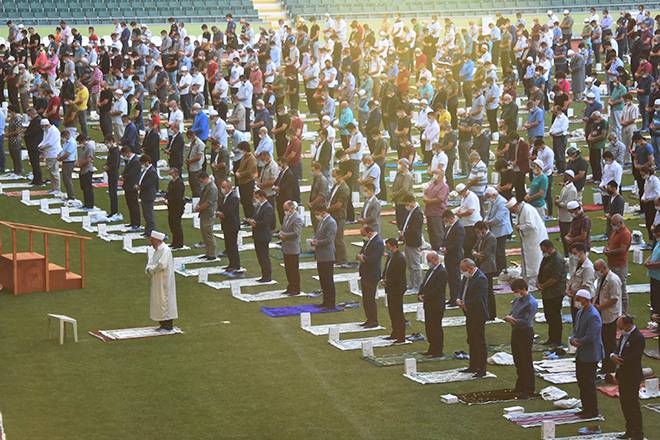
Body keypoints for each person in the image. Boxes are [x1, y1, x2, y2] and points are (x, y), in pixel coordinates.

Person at [570, 289, 604, 419]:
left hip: (590, 354)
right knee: (581, 381)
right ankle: (586, 407)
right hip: (581, 352)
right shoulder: (580, 312)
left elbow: (592, 335)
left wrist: (579, 342)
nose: (577, 301)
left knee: (588, 382)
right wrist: (573, 339)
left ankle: (592, 410)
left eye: (579, 299)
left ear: (586, 299)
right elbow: (576, 329)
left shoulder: (593, 315)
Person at [612, 315, 646, 440]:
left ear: (626, 324)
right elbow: (617, 350)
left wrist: (619, 360)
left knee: (632, 405)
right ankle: (629, 430)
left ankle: (637, 433)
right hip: (623, 374)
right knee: (624, 404)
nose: (618, 328)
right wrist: (613, 356)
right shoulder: (623, 335)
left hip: (632, 376)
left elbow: (634, 357)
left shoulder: (638, 337)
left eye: (619, 325)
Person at [506, 278, 539, 398]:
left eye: (517, 290)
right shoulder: (518, 300)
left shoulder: (531, 303)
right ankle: (520, 385)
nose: (516, 293)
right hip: (516, 331)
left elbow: (526, 321)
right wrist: (510, 317)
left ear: (523, 289)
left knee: (526, 361)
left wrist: (512, 320)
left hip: (525, 333)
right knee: (518, 359)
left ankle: (529, 388)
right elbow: (512, 312)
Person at [506, 197, 549, 288]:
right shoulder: (521, 210)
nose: (512, 212)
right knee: (529, 259)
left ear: (516, 206)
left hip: (535, 239)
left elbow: (531, 225)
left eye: (512, 209)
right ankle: (528, 280)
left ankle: (534, 281)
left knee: (534, 260)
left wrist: (519, 227)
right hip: (529, 239)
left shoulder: (527, 209)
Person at [457, 258, 489, 377]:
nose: (463, 272)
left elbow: (478, 298)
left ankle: (482, 368)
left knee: (479, 341)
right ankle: (473, 365)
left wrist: (466, 303)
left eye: (464, 270)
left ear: (470, 268)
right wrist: (459, 298)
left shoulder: (481, 278)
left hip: (478, 313)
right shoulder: (467, 276)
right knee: (471, 339)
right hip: (469, 312)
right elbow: (462, 289)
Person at [593, 259, 622, 374]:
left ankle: (610, 367)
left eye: (597, 270)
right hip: (602, 313)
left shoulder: (613, 280)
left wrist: (600, 307)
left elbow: (614, 299)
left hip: (610, 315)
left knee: (609, 342)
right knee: (603, 341)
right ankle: (605, 364)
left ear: (603, 268)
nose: (596, 272)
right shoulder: (601, 278)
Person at [145, 231, 178, 332]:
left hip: (164, 280)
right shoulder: (158, 250)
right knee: (159, 300)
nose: (151, 243)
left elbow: (161, 265)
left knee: (165, 300)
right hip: (157, 279)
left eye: (152, 240)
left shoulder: (165, 250)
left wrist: (152, 269)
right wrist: (148, 268)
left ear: (157, 240)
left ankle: (168, 325)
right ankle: (162, 324)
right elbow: (151, 261)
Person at [537, 240, 567, 347]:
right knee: (548, 316)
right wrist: (538, 282)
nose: (542, 253)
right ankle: (551, 338)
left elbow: (555, 278)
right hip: (547, 293)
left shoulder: (557, 260)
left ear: (550, 248)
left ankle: (556, 340)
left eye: (544, 250)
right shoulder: (547, 258)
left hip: (555, 293)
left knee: (555, 317)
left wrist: (543, 285)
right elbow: (541, 270)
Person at [418, 251, 448, 357]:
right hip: (428, 303)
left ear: (435, 259)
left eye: (429, 260)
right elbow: (425, 283)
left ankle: (438, 350)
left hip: (436, 304)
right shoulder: (431, 270)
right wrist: (420, 293)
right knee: (429, 327)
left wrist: (425, 296)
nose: (428, 262)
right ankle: (431, 348)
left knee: (436, 327)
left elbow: (438, 289)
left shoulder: (442, 272)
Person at [357, 226, 384, 328]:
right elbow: (362, 252)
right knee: (366, 298)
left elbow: (374, 259)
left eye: (364, 234)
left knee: (370, 299)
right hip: (365, 273)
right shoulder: (369, 241)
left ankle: (373, 320)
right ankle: (369, 319)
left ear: (369, 233)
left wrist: (363, 258)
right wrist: (361, 256)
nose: (363, 237)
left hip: (371, 274)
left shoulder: (378, 242)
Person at [605, 214, 632, 312]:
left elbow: (622, 250)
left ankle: (624, 311)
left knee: (621, 288)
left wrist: (610, 252)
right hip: (612, 263)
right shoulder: (616, 231)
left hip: (620, 265)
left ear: (621, 223)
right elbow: (611, 243)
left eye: (614, 224)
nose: (613, 226)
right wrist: (607, 248)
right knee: (613, 287)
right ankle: (616, 308)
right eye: (612, 224)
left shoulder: (625, 234)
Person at [312, 207, 337, 308]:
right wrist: (314, 240)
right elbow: (318, 234)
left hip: (327, 255)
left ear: (323, 212)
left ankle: (330, 302)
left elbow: (329, 239)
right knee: (323, 280)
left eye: (318, 213)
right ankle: (325, 301)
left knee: (328, 280)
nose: (317, 216)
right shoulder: (322, 221)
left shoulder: (331, 222)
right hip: (320, 254)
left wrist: (317, 242)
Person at [484, 187, 512, 274]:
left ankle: (503, 269)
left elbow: (498, 218)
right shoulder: (492, 201)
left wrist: (488, 223)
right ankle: (497, 269)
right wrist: (485, 220)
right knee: (496, 250)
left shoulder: (502, 202)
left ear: (494, 195)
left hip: (502, 229)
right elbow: (488, 213)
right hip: (495, 228)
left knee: (500, 251)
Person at [383, 238, 407, 343]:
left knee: (398, 312)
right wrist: (383, 278)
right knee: (392, 311)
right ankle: (395, 332)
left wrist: (387, 281)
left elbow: (398, 276)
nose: (386, 247)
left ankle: (401, 336)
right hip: (390, 288)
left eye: (387, 245)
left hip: (397, 288)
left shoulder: (400, 258)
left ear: (393, 245)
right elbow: (387, 269)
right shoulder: (390, 256)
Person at [248, 189, 275, 282]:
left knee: (264, 257)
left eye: (257, 197)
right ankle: (264, 275)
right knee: (260, 256)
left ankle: (267, 276)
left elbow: (266, 222)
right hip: (257, 235)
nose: (256, 199)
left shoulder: (268, 207)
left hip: (263, 235)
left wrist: (255, 223)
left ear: (262, 197)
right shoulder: (259, 206)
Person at [472, 221, 497, 320]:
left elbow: (486, 253)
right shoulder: (480, 237)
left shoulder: (491, 237)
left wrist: (476, 254)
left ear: (483, 229)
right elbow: (473, 248)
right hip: (480, 265)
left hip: (488, 267)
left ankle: (491, 314)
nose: (477, 234)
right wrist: (475, 253)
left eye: (478, 231)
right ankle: (484, 312)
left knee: (488, 291)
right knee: (482, 291)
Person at [400, 194, 424, 292]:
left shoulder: (418, 213)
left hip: (413, 241)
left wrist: (404, 232)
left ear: (412, 202)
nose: (407, 206)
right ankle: (412, 283)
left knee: (415, 265)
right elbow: (406, 223)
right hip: (408, 240)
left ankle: (417, 285)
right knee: (410, 264)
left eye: (408, 203)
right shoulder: (411, 211)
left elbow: (415, 229)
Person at [328, 168, 350, 267]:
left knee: (339, 238)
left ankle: (343, 259)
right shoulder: (336, 185)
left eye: (334, 176)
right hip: (334, 215)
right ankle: (336, 258)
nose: (333, 178)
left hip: (339, 216)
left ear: (340, 176)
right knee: (334, 237)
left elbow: (339, 204)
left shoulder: (344, 188)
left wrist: (327, 209)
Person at [279, 200, 303, 295]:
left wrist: (285, 235)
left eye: (286, 209)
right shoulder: (286, 217)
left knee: (293, 269)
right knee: (288, 269)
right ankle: (290, 287)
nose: (285, 211)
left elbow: (296, 233)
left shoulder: (297, 218)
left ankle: (295, 288)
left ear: (292, 208)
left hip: (293, 248)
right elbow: (284, 228)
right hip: (286, 247)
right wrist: (281, 233)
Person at [218, 179, 241, 273]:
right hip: (227, 225)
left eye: (224, 187)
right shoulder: (227, 196)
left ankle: (236, 265)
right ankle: (231, 264)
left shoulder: (233, 197)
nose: (222, 189)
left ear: (229, 187)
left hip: (232, 225)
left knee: (232, 246)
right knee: (228, 246)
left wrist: (221, 214)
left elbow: (230, 212)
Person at [442, 209, 465, 306]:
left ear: (451, 217)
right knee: (450, 278)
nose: (445, 222)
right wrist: (443, 247)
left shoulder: (458, 227)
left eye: (446, 220)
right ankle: (452, 297)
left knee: (455, 278)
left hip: (455, 256)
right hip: (448, 255)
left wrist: (448, 249)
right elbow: (446, 239)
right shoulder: (449, 227)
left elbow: (457, 243)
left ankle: (456, 298)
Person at [194, 172, 218, 261]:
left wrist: (199, 208)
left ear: (205, 178)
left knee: (208, 234)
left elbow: (209, 202)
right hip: (204, 213)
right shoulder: (207, 187)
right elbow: (202, 198)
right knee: (204, 234)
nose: (201, 182)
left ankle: (212, 254)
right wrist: (198, 205)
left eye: (201, 181)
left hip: (208, 213)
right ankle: (208, 253)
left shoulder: (212, 188)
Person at [556, 170, 579, 256]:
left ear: (570, 177)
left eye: (565, 176)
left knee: (567, 238)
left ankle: (570, 255)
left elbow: (569, 205)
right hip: (562, 217)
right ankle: (567, 255)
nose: (563, 177)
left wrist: (559, 203)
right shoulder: (566, 187)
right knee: (563, 237)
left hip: (567, 218)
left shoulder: (572, 189)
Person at [120, 146, 141, 230]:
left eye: (124, 154)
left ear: (128, 153)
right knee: (130, 205)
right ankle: (133, 222)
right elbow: (127, 170)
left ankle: (136, 223)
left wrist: (123, 177)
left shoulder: (135, 161)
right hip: (128, 185)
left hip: (132, 186)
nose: (124, 156)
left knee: (134, 205)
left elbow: (132, 174)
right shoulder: (130, 160)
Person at [138, 154, 159, 237]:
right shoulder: (146, 170)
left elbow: (149, 183)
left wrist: (140, 186)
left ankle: (151, 231)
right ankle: (147, 230)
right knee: (146, 214)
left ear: (147, 162)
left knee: (148, 214)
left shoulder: (152, 171)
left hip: (148, 195)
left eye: (143, 163)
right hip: (145, 194)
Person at [165, 168, 185, 250]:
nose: (170, 175)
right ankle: (174, 241)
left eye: (171, 173)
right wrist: (165, 198)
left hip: (177, 206)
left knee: (176, 224)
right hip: (171, 206)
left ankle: (179, 243)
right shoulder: (172, 182)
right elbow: (168, 192)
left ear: (176, 173)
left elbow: (177, 196)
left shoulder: (179, 183)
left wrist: (168, 200)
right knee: (172, 224)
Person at [57, 129, 77, 203]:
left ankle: (71, 196)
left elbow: (67, 154)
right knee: (65, 179)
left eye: (63, 137)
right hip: (66, 162)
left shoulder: (71, 142)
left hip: (69, 162)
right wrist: (59, 155)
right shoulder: (67, 142)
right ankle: (69, 195)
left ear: (67, 135)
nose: (63, 139)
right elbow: (63, 150)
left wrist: (59, 159)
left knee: (67, 179)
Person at [185, 129, 206, 198]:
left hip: (196, 168)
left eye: (189, 137)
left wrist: (189, 161)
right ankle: (194, 200)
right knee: (192, 186)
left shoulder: (200, 144)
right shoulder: (193, 142)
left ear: (192, 135)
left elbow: (198, 157)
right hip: (191, 167)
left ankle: (198, 200)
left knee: (196, 187)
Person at [76, 134, 95, 210]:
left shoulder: (89, 147)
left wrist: (79, 164)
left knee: (88, 188)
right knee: (84, 187)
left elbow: (89, 159)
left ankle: (90, 205)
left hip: (87, 170)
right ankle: (86, 203)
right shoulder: (83, 147)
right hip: (82, 170)